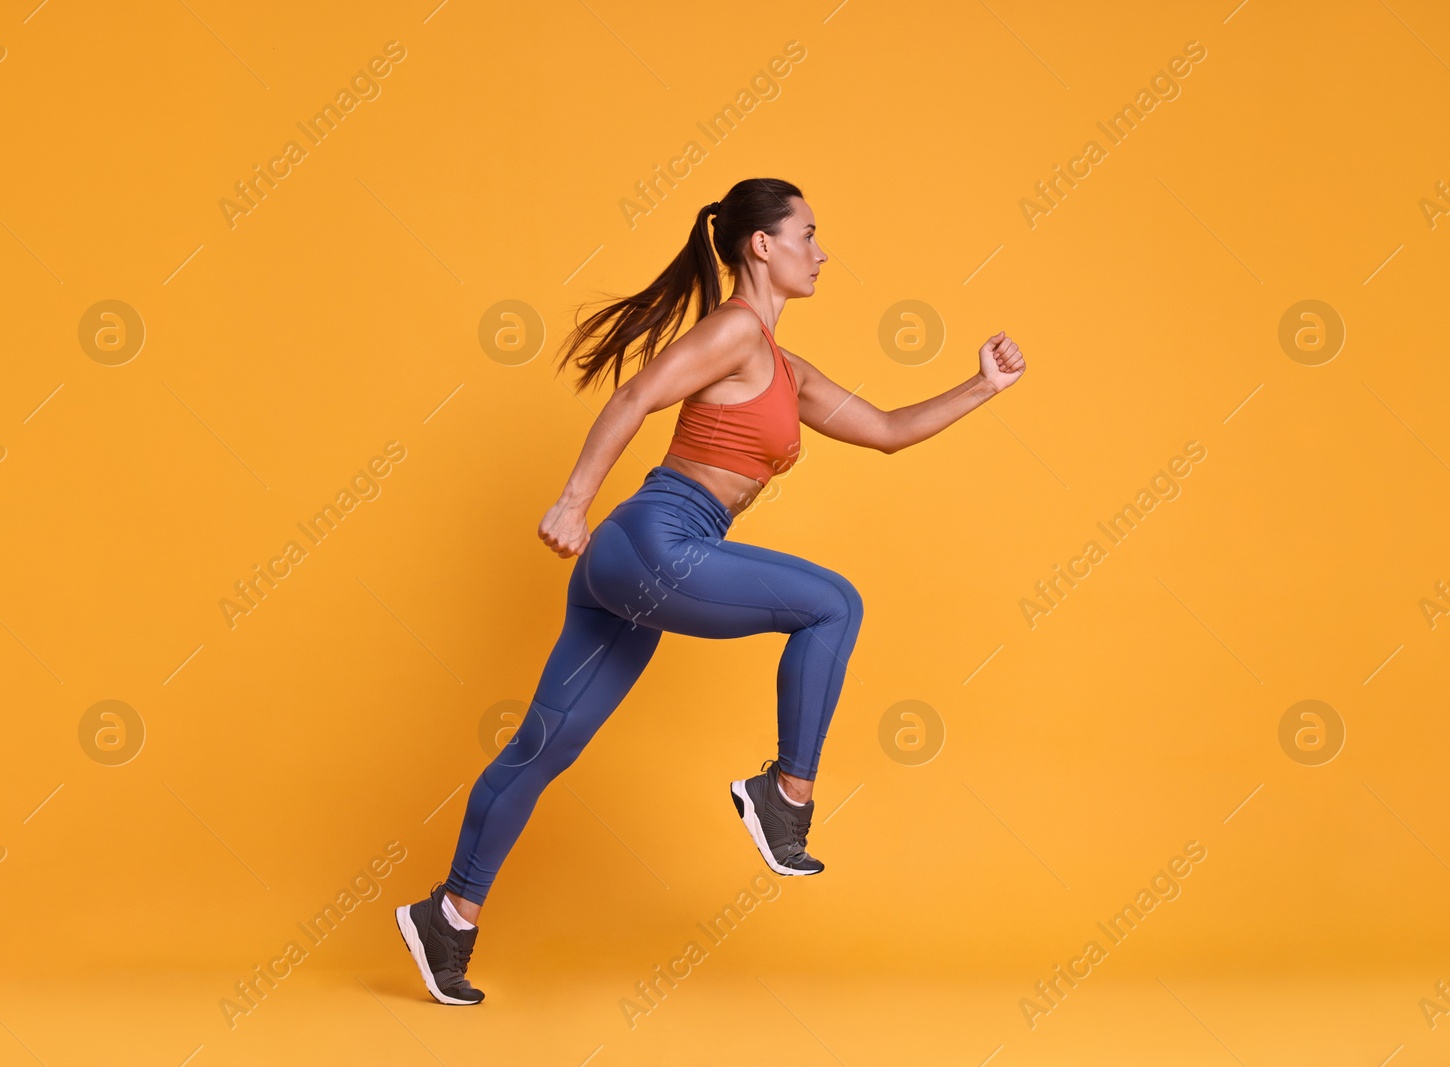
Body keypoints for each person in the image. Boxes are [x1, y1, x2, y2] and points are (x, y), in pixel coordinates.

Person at [395, 177, 1027, 1005]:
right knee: (834, 602)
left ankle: (449, 916)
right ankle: (783, 794)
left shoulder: (786, 369)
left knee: (543, 748)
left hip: (634, 566)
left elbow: (888, 432)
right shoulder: (733, 331)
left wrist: (982, 384)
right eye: (808, 234)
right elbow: (635, 396)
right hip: (654, 541)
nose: (822, 251)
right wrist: (572, 500)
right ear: (762, 245)